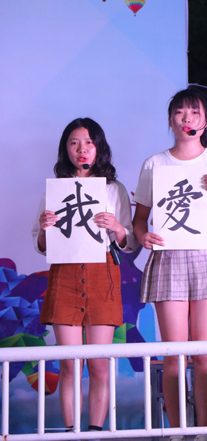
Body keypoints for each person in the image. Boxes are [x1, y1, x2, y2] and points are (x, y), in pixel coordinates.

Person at [132, 88, 207, 441]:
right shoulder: (155, 164)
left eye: (194, 112)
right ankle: (178, 430)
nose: (187, 118)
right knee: (174, 354)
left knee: (205, 354)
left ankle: (205, 431)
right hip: (168, 255)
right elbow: (140, 220)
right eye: (180, 112)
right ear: (171, 120)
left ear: (206, 121)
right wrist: (143, 236)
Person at [32, 118, 136, 434]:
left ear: (99, 147)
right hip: (64, 274)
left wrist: (116, 227)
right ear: (66, 149)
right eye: (74, 142)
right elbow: (40, 243)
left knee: (99, 363)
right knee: (69, 363)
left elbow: (129, 242)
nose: (82, 149)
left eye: (89, 142)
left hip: (102, 273)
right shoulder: (56, 188)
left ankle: (95, 431)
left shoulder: (114, 189)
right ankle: (71, 432)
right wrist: (45, 228)